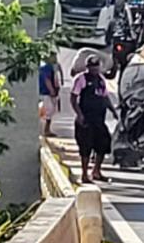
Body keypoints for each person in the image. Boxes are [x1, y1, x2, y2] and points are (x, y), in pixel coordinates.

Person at [70, 54, 116, 184]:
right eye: (92, 67)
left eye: (96, 67)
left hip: (99, 118)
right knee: (86, 146)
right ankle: (84, 174)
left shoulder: (101, 79)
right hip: (86, 118)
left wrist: (112, 110)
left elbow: (105, 97)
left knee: (103, 144)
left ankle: (96, 171)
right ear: (87, 67)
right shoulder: (81, 79)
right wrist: (79, 115)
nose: (94, 70)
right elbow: (73, 98)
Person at [38, 52, 62, 138]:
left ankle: (47, 130)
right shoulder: (47, 68)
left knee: (50, 111)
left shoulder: (52, 67)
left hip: (49, 92)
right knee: (49, 111)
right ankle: (46, 130)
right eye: (53, 57)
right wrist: (51, 90)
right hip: (46, 93)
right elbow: (47, 79)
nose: (55, 58)